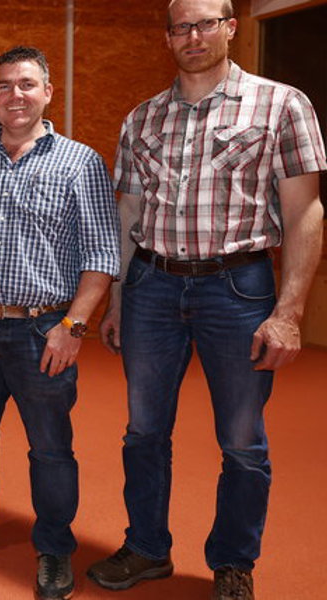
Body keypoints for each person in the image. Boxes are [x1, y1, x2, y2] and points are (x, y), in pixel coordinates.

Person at [86, 1, 326, 598]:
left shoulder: (282, 105)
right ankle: (147, 548)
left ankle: (233, 562)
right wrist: (118, 298)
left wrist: (289, 313)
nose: (193, 36)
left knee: (242, 441)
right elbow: (128, 212)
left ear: (230, 28)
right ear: (168, 37)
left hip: (238, 289)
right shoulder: (142, 118)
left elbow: (305, 212)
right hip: (151, 287)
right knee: (143, 431)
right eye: (180, 27)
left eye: (205, 23)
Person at [0, 46, 120, 600]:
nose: (16, 95)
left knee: (50, 448)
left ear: (48, 93)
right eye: (5, 85)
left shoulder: (80, 163)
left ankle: (54, 547)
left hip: (42, 332)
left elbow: (102, 255)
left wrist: (73, 327)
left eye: (27, 84)